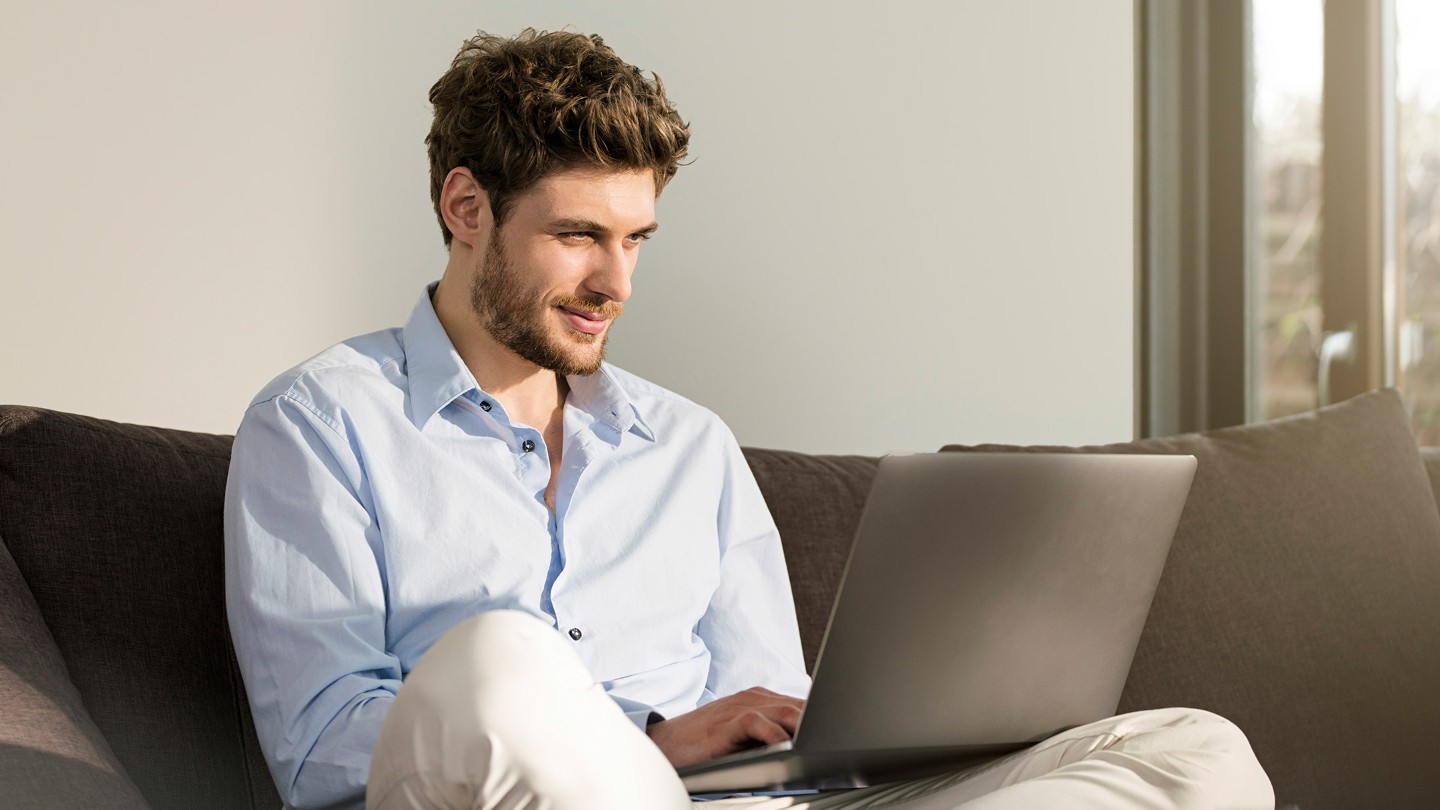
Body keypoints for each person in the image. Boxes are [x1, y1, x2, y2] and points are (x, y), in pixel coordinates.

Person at [224, 28, 1274, 810]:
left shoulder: (689, 448)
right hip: (519, 789)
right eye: (579, 235)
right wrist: (649, 742)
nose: (613, 283)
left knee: (1194, 751)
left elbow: (776, 722)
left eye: (637, 238)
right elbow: (319, 749)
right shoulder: (321, 424)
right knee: (502, 660)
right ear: (466, 211)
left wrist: (856, 740)